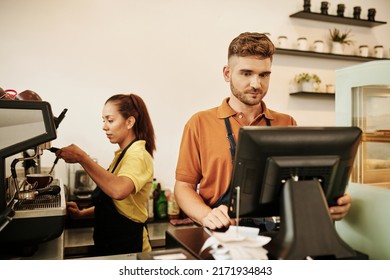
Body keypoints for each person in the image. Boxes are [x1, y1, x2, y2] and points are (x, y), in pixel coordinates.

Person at [174, 32, 352, 230]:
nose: (256, 84)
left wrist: (330, 203)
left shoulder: (287, 123)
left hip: (278, 234)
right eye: (246, 73)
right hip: (220, 235)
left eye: (263, 75)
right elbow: (183, 187)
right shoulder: (199, 123)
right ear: (227, 74)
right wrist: (207, 215)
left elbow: (300, 186)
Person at [58, 93, 156, 255]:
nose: (104, 126)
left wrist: (82, 157)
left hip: (130, 250)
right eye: (103, 121)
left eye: (110, 120)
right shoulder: (122, 155)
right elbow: (114, 208)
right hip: (111, 247)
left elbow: (118, 190)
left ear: (130, 121)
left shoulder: (137, 155)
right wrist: (82, 214)